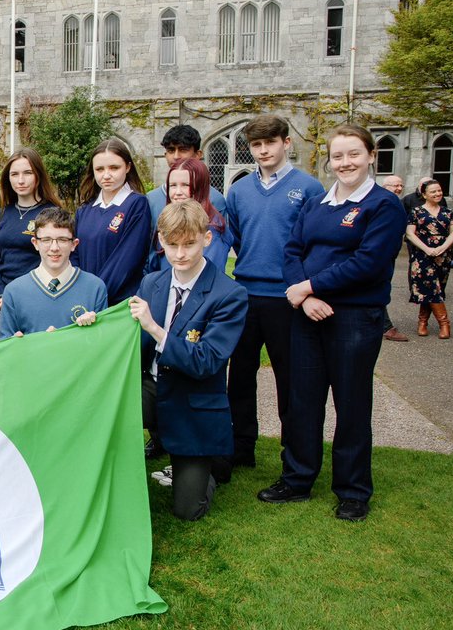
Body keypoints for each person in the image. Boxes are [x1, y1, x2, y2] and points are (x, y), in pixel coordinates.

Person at [260, 124, 406, 522]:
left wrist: (307, 286)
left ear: (371, 155)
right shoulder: (317, 204)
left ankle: (353, 490)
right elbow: (292, 250)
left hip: (355, 318)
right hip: (308, 316)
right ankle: (297, 479)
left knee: (351, 403)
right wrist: (305, 298)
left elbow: (368, 263)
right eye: (338, 156)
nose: (345, 163)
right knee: (303, 401)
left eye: (353, 154)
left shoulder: (384, 206)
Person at [128, 200, 247, 521]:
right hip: (151, 387)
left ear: (206, 239)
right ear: (161, 242)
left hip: (192, 398)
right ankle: (115, 477)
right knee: (108, 410)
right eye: (172, 245)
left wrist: (155, 327)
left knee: (187, 511)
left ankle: (211, 466)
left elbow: (206, 361)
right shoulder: (152, 283)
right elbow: (128, 337)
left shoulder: (230, 294)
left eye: (190, 244)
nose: (180, 254)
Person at [223, 114, 325, 475]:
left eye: (270, 143)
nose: (263, 150)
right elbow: (229, 240)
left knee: (290, 379)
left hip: (288, 298)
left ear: (286, 143)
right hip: (246, 294)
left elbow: (316, 246)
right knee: (240, 376)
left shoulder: (310, 189)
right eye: (256, 145)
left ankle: (293, 454)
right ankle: (241, 447)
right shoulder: (238, 191)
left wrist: (307, 290)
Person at [0, 147, 64, 337]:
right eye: (14, 174)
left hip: (39, 299)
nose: (20, 180)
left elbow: (60, 257)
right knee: (7, 361)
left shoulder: (52, 213)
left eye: (27, 173)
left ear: (38, 175)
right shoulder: (2, 214)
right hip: (4, 303)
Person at [0, 207, 105, 339]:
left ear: (74, 244)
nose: (54, 248)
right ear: (35, 243)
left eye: (62, 240)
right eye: (46, 240)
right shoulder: (14, 292)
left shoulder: (94, 288)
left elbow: (102, 345)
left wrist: (89, 331)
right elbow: (5, 348)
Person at [71, 139, 151, 305]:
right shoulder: (84, 211)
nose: (106, 175)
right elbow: (73, 255)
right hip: (83, 302)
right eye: (99, 169)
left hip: (117, 304)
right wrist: (79, 292)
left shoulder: (137, 204)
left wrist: (95, 297)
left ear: (128, 167)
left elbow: (126, 260)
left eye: (114, 168)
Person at [146, 158, 233, 275]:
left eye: (185, 185)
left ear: (200, 187)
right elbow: (152, 263)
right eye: (172, 185)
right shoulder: (168, 220)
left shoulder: (212, 226)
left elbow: (209, 275)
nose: (177, 192)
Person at [146, 124, 226, 232]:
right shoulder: (151, 199)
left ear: (198, 154)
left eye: (183, 150)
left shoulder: (214, 199)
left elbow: (217, 243)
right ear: (165, 155)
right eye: (171, 150)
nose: (176, 156)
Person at [406, 178, 453, 339]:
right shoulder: (416, 211)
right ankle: (444, 323)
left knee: (437, 288)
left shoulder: (447, 212)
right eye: (433, 191)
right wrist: (427, 249)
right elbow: (409, 233)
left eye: (439, 190)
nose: (438, 193)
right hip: (422, 255)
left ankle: (422, 321)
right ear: (424, 194)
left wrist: (442, 248)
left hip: (443, 256)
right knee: (431, 288)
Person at [379, 175, 409, 342]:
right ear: (385, 186)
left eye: (401, 185)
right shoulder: (386, 201)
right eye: (395, 185)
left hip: (388, 254)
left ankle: (383, 325)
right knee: (378, 288)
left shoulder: (393, 201)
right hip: (381, 255)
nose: (399, 188)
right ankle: (385, 327)